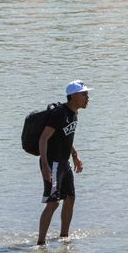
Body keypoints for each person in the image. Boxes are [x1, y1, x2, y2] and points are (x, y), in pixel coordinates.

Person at [36, 80, 90, 246]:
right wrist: (45, 166)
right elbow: (43, 139)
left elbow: (65, 137)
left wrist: (75, 155)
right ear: (73, 96)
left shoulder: (73, 113)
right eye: (84, 94)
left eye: (87, 94)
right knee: (53, 203)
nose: (87, 98)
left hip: (64, 162)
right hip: (53, 164)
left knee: (70, 197)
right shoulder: (59, 113)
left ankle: (64, 237)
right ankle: (40, 244)